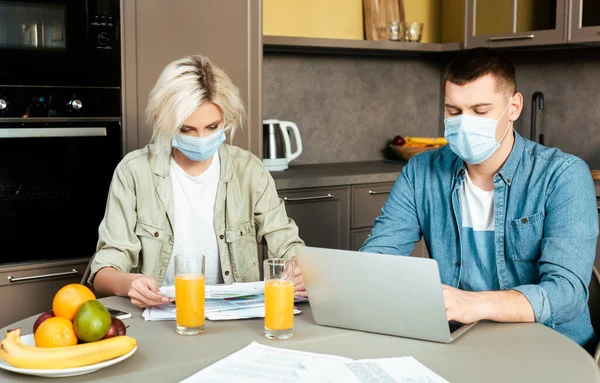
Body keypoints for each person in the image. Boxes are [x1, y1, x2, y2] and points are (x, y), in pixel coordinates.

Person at [361, 47, 599, 349]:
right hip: (459, 343)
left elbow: (566, 293)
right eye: (453, 111)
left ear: (513, 107)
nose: (464, 123)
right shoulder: (421, 171)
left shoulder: (563, 175)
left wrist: (474, 304)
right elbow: (377, 260)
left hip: (552, 349)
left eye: (480, 111)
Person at [89, 55, 306, 307]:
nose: (201, 138)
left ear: (227, 119)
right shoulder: (133, 172)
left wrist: (296, 272)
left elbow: (288, 245)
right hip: (162, 316)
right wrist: (131, 284)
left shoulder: (250, 171)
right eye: (186, 129)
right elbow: (103, 274)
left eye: (212, 127)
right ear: (165, 121)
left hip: (237, 318)